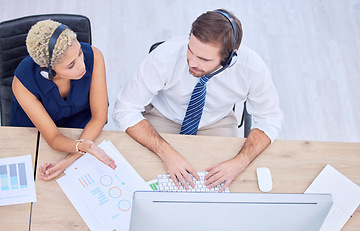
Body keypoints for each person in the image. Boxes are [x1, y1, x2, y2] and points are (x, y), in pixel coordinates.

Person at [113, 9, 283, 192]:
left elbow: (269, 119)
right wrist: (166, 152)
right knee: (143, 180)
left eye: (203, 58)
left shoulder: (252, 69)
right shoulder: (164, 57)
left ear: (229, 58)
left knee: (222, 188)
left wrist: (240, 163)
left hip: (217, 121)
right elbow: (124, 109)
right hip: (163, 117)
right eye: (190, 50)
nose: (192, 62)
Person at [11, 19, 116, 180]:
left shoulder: (94, 56)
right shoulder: (22, 82)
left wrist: (70, 159)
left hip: (83, 131)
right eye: (71, 65)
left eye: (80, 53)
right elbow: (53, 138)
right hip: (37, 136)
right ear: (48, 72)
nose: (83, 66)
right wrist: (81, 147)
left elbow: (99, 117)